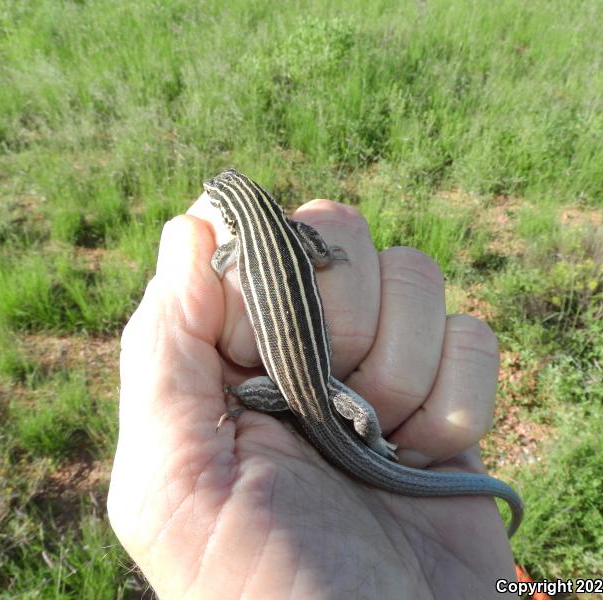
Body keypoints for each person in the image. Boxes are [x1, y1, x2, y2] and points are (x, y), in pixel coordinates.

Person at [108, 194, 517, 599]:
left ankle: (257, 402)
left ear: (230, 216)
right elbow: (321, 255)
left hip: (281, 392)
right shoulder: (294, 229)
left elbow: (217, 264)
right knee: (362, 419)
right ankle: (374, 442)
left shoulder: (235, 246)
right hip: (319, 386)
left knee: (250, 394)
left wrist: (237, 396)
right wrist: (329, 257)